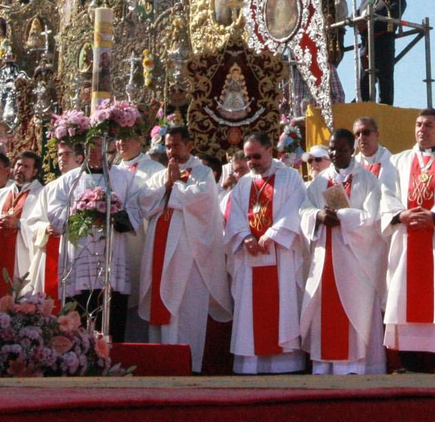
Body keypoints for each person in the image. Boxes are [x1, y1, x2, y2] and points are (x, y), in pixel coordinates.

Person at [138, 126, 233, 372]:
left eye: (176, 146)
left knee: (186, 305)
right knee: (163, 300)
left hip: (189, 252)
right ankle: (161, 361)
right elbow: (144, 202)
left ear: (189, 145)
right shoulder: (161, 173)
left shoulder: (201, 172)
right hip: (160, 244)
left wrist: (173, 187)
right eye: (167, 146)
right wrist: (166, 184)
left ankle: (190, 363)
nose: (171, 151)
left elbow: (201, 202)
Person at [383, 108, 435, 372]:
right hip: (407, 239)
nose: (422, 129)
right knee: (403, 298)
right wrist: (401, 214)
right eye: (419, 124)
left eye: (428, 125)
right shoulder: (397, 161)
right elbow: (386, 192)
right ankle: (411, 362)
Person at [301, 128, 387, 374]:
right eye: (332, 148)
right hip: (325, 257)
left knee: (356, 313)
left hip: (355, 261)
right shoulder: (319, 181)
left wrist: (343, 217)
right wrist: (318, 215)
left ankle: (354, 367)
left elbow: (374, 218)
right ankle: (324, 367)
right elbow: (303, 210)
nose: (336, 153)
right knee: (325, 316)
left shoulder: (368, 179)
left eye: (341, 149)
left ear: (352, 150)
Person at [222, 133, 308, 374]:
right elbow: (235, 216)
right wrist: (245, 237)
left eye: (256, 156)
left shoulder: (290, 177)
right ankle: (251, 365)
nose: (252, 162)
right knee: (251, 313)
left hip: (280, 255)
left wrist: (273, 234)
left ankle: (285, 364)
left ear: (270, 150)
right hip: (250, 258)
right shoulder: (243, 184)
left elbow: (296, 208)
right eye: (248, 158)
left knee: (282, 307)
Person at [47, 140, 141, 342]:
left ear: (108, 148)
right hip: (79, 257)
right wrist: (82, 213)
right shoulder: (69, 179)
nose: (93, 152)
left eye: (98, 147)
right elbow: (54, 212)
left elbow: (137, 208)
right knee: (77, 320)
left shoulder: (125, 177)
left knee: (111, 317)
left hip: (112, 256)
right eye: (89, 147)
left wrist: (112, 213)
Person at [116, 131, 165, 342]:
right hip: (117, 243)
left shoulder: (155, 169)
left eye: (127, 137)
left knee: (140, 293)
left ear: (140, 140)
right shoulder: (113, 170)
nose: (121, 142)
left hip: (142, 241)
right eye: (118, 138)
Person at [23, 142, 81, 303]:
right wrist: (44, 227)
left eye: (67, 154)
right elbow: (33, 220)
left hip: (74, 251)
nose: (62, 159)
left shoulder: (85, 185)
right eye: (60, 155)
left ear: (80, 158)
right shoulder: (50, 188)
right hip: (51, 249)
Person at [0, 151, 41, 298]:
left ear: (35, 171)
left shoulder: (41, 194)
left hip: (23, 255)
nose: (20, 169)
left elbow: (42, 226)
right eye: (19, 165)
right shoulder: (2, 193)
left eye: (26, 167)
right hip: (0, 251)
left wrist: (19, 224)